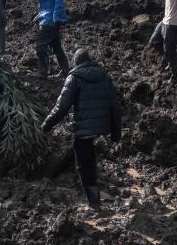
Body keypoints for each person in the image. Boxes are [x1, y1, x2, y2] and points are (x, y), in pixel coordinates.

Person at [41, 49, 122, 210]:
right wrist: (115, 133)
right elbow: (115, 105)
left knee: (84, 165)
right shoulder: (105, 77)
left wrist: (46, 126)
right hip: (101, 127)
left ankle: (94, 204)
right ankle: (95, 199)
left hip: (82, 129)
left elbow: (61, 107)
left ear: (76, 61)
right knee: (91, 161)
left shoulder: (74, 78)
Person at [29, 0, 69, 78]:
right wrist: (39, 15)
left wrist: (57, 16)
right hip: (47, 16)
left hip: (51, 19)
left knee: (40, 44)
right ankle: (65, 70)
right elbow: (47, 2)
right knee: (56, 45)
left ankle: (43, 71)